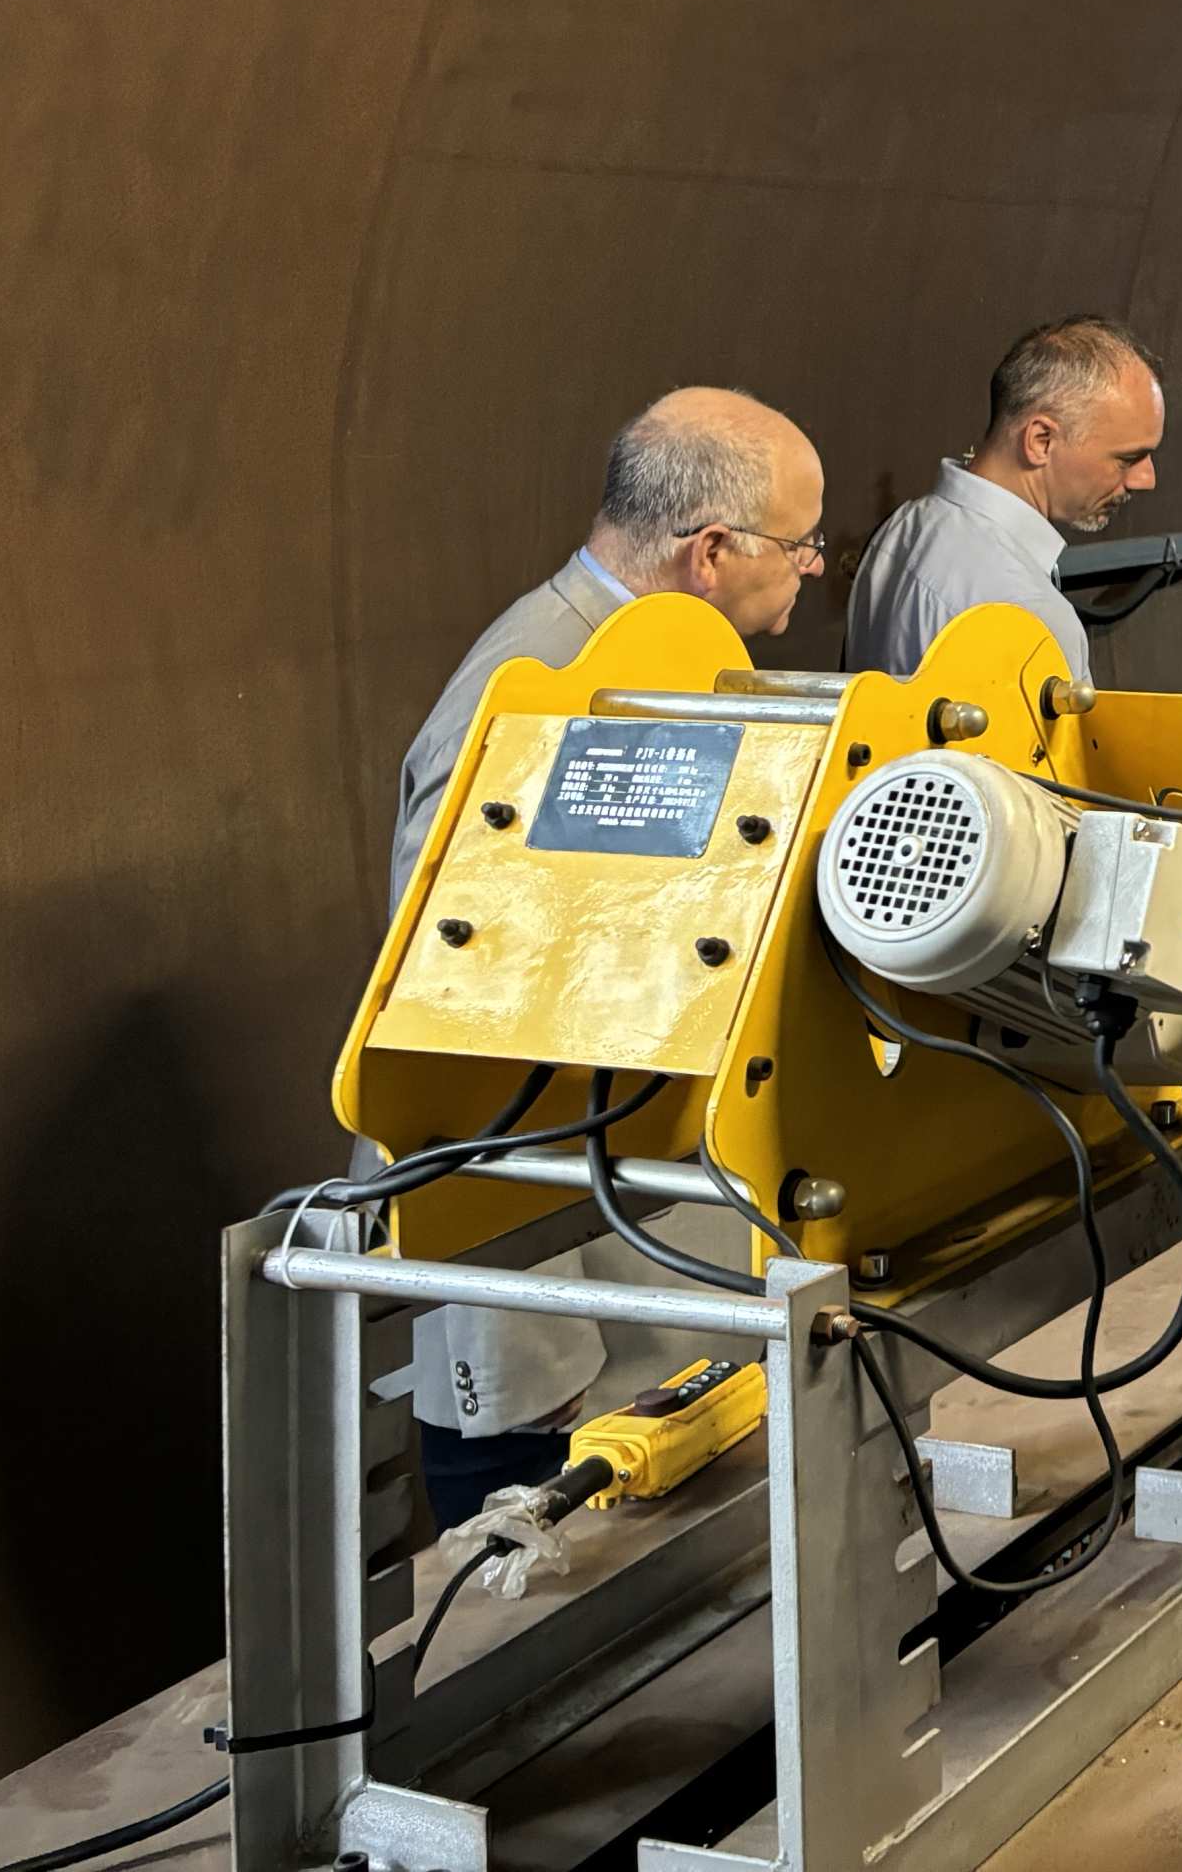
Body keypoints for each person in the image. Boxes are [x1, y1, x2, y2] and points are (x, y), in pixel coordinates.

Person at [385, 387, 826, 1519]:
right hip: (559, 1342)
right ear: (713, 552)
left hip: (659, 1291)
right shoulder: (534, 697)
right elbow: (464, 1035)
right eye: (801, 543)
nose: (815, 567)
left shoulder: (662, 672)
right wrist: (537, 1366)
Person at [843, 316, 1162, 686]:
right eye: (1128, 459)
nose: (1146, 479)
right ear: (1040, 440)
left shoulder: (900, 531)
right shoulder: (1029, 615)